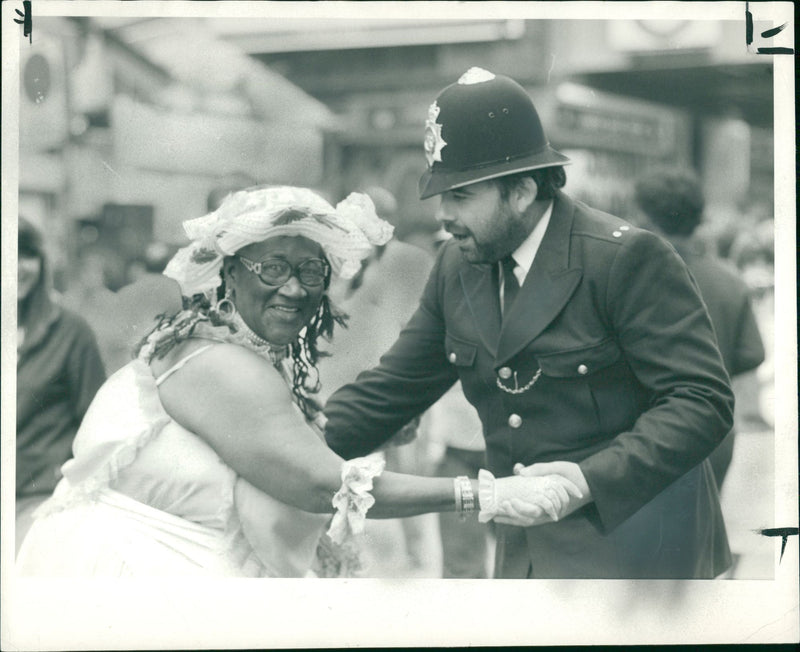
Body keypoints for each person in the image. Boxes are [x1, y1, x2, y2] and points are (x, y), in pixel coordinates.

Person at [17, 186, 580, 578]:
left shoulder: (240, 348)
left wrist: (378, 436)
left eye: (311, 271)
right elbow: (319, 483)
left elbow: (267, 451)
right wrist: (489, 493)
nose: (294, 289)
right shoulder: (217, 361)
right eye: (273, 268)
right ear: (229, 271)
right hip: (125, 581)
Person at [324, 67, 736, 579]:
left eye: (461, 197)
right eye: (440, 197)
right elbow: (392, 389)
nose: (443, 216)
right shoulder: (458, 266)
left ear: (520, 190)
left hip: (641, 550)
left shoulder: (624, 258)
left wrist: (587, 480)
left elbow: (701, 400)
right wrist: (282, 436)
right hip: (528, 552)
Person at [634, 169, 765, 489]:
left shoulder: (632, 278)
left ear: (647, 219)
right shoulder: (730, 283)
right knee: (702, 531)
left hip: (645, 437)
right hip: (715, 437)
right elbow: (751, 354)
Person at [16, 217, 106, 552]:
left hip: (40, 499)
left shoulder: (71, 332)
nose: (18, 267)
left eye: (26, 254)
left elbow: (98, 426)